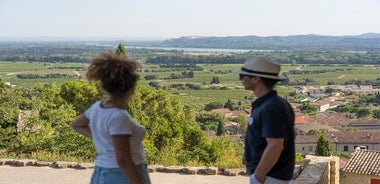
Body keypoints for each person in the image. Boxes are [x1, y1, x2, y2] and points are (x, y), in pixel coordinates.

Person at [71, 51, 151, 184]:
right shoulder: (119, 117)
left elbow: (77, 125)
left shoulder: (97, 108)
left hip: (101, 173)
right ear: (131, 88)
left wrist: (103, 138)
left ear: (105, 87)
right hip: (122, 175)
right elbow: (123, 160)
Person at [233, 57, 295, 184]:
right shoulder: (272, 104)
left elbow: (275, 144)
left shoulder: (271, 107)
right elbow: (290, 135)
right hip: (271, 176)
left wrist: (259, 176)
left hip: (270, 177)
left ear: (256, 79)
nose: (241, 79)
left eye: (243, 75)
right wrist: (249, 154)